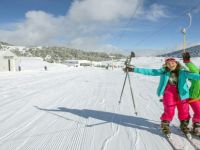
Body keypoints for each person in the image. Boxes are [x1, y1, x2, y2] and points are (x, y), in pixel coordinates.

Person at [124, 58, 200, 136]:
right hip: (169, 93)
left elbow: (195, 76)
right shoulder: (163, 72)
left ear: (176, 63)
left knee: (184, 110)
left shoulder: (183, 72)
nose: (171, 64)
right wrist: (133, 69)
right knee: (169, 110)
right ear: (166, 65)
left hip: (183, 94)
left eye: (173, 63)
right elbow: (150, 72)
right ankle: (165, 126)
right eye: (168, 63)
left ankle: (184, 126)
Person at [182, 52, 200, 136]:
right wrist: (187, 61)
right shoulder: (197, 74)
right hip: (194, 97)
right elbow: (194, 69)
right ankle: (196, 127)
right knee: (199, 112)